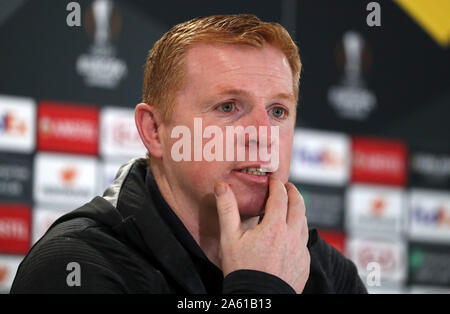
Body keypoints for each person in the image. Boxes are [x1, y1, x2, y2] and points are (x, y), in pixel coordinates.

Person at [11, 14, 367, 294]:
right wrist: (261, 289)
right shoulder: (74, 268)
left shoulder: (326, 271)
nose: (264, 135)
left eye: (278, 111)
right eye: (228, 107)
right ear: (155, 131)